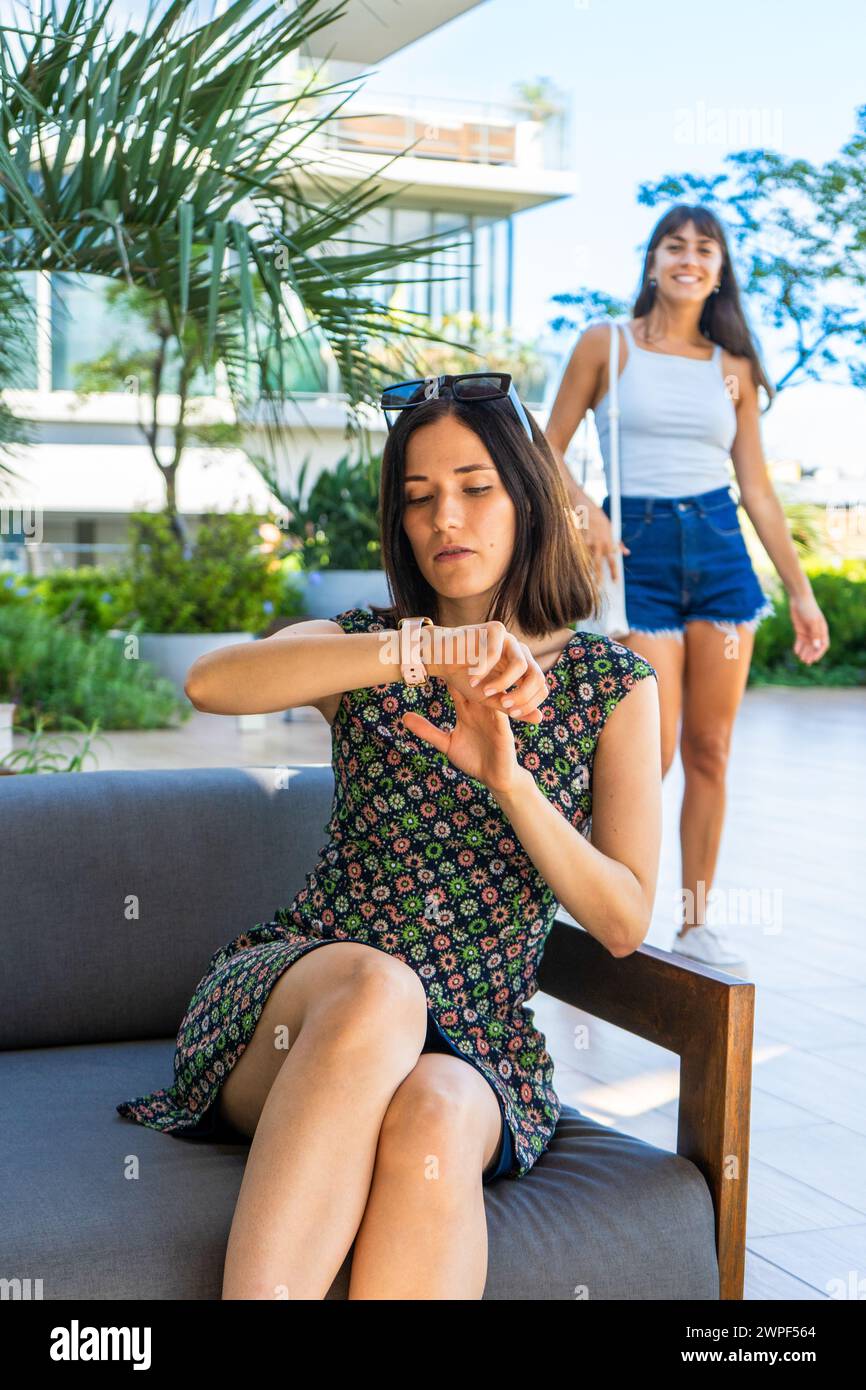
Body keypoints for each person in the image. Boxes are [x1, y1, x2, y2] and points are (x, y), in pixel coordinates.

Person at [116, 372, 662, 1300]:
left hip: (478, 1041)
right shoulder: (368, 646)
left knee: (439, 1113)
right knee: (382, 988)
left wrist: (512, 782)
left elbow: (622, 921)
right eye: (418, 498)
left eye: (475, 486)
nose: (446, 516)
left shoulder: (613, 685)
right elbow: (211, 683)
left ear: (526, 494)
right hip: (308, 1004)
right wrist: (428, 649)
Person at [544, 203, 830, 968]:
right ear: (653, 260)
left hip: (720, 551)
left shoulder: (732, 369)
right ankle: (593, 895)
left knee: (711, 749)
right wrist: (587, 514)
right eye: (676, 244)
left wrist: (801, 592)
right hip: (636, 555)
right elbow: (544, 448)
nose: (690, 257)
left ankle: (696, 920)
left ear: (719, 270)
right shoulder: (604, 345)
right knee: (652, 749)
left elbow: (759, 490)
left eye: (706, 249)